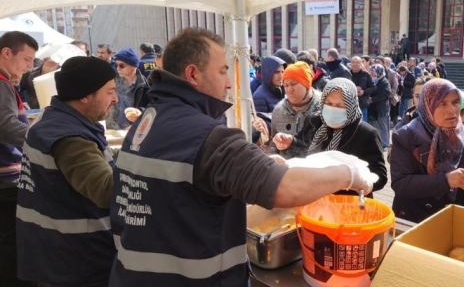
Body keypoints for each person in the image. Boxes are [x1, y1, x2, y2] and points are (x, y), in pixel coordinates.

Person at [109, 28, 376, 286]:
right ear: (192, 74)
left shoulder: (146, 121)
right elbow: (288, 188)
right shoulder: (207, 137)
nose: (229, 83)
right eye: (223, 71)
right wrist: (349, 173)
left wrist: (264, 164)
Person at [16, 57, 118, 286]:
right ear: (84, 95)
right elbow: (106, 190)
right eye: (110, 91)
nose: (115, 98)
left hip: (54, 256)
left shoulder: (55, 122)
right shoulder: (70, 138)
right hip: (75, 262)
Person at [390, 79, 464, 223]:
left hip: (458, 220)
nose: (452, 110)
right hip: (417, 219)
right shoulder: (405, 136)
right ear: (427, 106)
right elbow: (401, 184)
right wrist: (446, 180)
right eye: (442, 103)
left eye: (455, 102)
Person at [273, 78, 388, 198]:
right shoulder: (313, 121)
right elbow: (303, 151)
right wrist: (290, 143)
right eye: (329, 104)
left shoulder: (366, 134)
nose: (333, 109)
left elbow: (380, 175)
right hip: (312, 198)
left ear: (351, 105)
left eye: (340, 105)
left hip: (348, 204)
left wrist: (355, 179)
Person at [0, 31, 38, 287]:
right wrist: (41, 138)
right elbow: (5, 125)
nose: (29, 66)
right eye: (26, 59)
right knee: (9, 248)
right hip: (6, 181)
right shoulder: (1, 83)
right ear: (6, 53)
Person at [269, 61, 321, 144]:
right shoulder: (278, 111)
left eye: (294, 84)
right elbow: (273, 144)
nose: (289, 89)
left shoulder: (323, 109)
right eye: (286, 85)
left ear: (306, 84)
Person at [107, 48, 148, 129]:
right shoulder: (112, 82)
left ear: (133, 66)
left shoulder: (145, 86)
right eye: (116, 65)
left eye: (122, 65)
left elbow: (150, 109)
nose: (118, 68)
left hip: (133, 131)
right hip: (113, 130)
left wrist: (139, 115)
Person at [368, 64, 391, 150]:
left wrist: (372, 99)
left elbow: (385, 94)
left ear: (379, 71)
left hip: (381, 108)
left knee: (383, 126)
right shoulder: (373, 80)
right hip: (373, 108)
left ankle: (385, 144)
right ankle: (377, 143)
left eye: (373, 70)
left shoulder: (384, 81)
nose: (371, 72)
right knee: (374, 126)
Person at [350, 56, 376, 122]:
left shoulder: (366, 74)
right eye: (353, 62)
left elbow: (373, 87)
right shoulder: (347, 74)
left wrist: (364, 92)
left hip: (362, 105)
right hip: (350, 105)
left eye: (357, 62)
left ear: (361, 64)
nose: (355, 64)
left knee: (363, 127)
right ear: (351, 63)